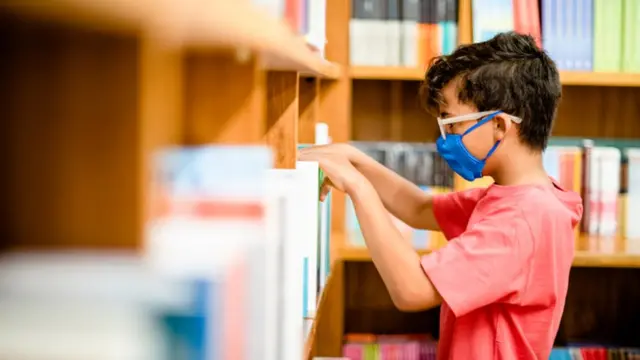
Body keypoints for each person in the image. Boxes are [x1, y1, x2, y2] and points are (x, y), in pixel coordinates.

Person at [298, 32, 583, 360]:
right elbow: (418, 208)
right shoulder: (516, 199)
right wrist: (355, 159)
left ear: (500, 126)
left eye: (452, 123)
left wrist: (357, 188)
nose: (444, 137)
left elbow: (411, 289)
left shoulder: (523, 219)